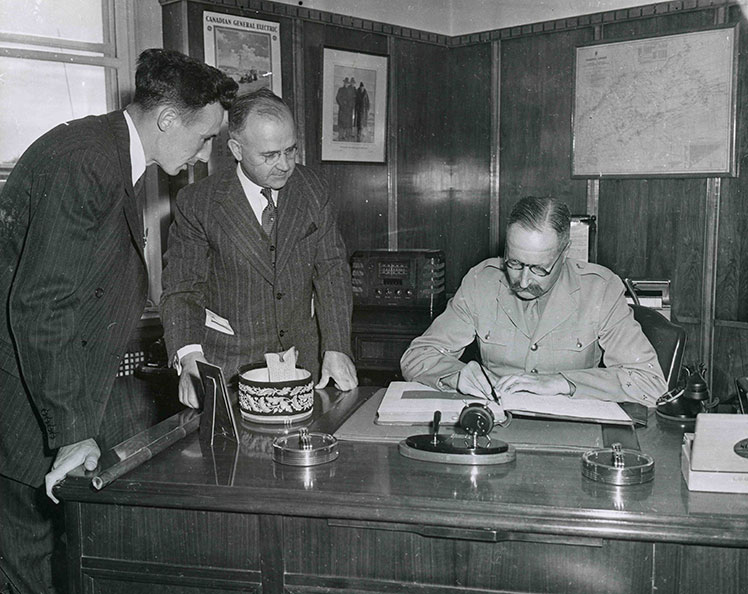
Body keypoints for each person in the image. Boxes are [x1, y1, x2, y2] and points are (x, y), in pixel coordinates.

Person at [0, 48, 237, 594]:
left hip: (51, 395)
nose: (204, 155)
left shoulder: (107, 152)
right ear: (168, 119)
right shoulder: (86, 160)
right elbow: (42, 305)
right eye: (204, 138)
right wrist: (71, 433)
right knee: (29, 570)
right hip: (21, 409)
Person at [160, 88, 358, 411]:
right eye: (269, 155)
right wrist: (190, 357)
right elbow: (183, 290)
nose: (284, 165)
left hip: (304, 371)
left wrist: (336, 347)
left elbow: (333, 270)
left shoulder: (312, 190)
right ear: (236, 149)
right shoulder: (199, 203)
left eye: (291, 150)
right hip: (228, 374)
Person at [401, 196, 667, 407]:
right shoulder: (481, 282)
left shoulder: (600, 289)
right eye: (514, 263)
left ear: (564, 254)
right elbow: (417, 357)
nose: (524, 281)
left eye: (540, 269)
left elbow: (649, 383)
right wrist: (456, 376)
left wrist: (562, 383)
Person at [335, 77, 353, 141]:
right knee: (341, 123)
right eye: (346, 83)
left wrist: (350, 105)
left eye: (348, 83)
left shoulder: (351, 91)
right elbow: (337, 98)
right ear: (344, 83)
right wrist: (342, 103)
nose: (347, 84)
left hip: (348, 110)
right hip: (342, 110)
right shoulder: (341, 89)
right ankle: (341, 136)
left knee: (348, 123)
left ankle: (347, 136)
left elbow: (352, 100)